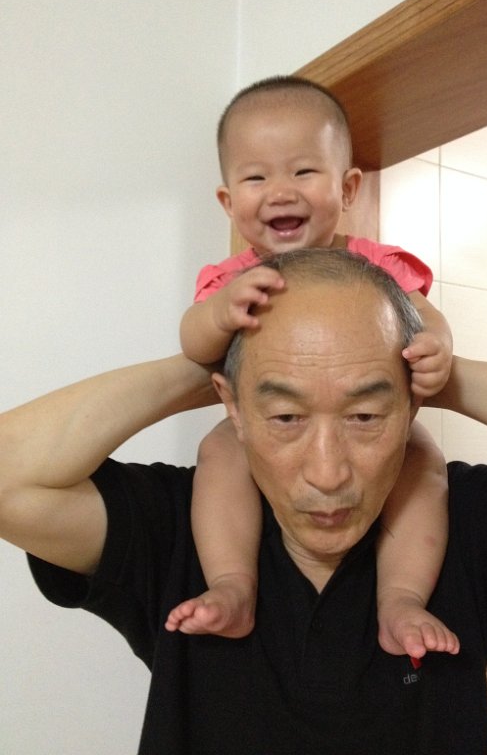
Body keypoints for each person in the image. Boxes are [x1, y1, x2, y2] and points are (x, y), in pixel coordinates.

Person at [1, 247, 487, 754]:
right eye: (286, 416)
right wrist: (218, 368)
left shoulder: (456, 520)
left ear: (410, 409)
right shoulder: (179, 526)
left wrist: (442, 376)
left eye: (366, 416)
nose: (327, 473)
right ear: (233, 408)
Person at [166, 75, 457, 658]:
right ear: (228, 202)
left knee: (424, 456)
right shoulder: (231, 280)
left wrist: (438, 350)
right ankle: (233, 583)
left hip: (372, 444)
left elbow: (428, 319)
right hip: (260, 435)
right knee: (219, 450)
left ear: (347, 188)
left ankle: (400, 597)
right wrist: (220, 313)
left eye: (303, 172)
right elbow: (193, 342)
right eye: (256, 178)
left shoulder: (377, 266)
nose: (280, 192)